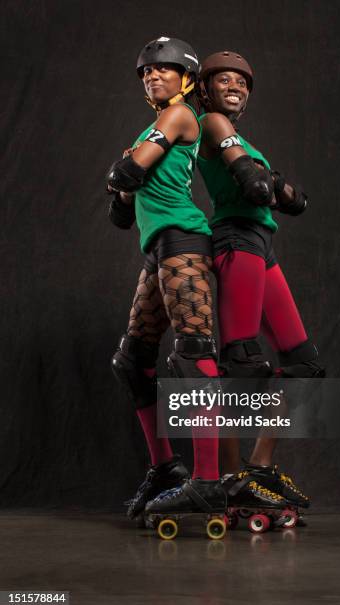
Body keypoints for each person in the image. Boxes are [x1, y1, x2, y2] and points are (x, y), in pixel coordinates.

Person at [197, 51, 325, 508]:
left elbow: (297, 202)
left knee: (303, 363)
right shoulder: (211, 123)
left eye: (242, 83)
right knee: (240, 368)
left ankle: (260, 468)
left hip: (261, 246)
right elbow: (261, 189)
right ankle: (230, 480)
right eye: (225, 80)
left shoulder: (241, 138)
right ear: (207, 89)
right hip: (236, 241)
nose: (235, 87)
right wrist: (271, 182)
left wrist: (270, 183)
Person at [106, 38, 226, 522]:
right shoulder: (153, 124)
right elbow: (121, 208)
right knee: (133, 362)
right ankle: (165, 469)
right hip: (158, 251)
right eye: (146, 72)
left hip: (183, 243)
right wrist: (124, 179)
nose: (152, 76)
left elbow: (125, 173)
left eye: (163, 69)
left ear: (187, 79)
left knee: (195, 356)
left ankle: (210, 483)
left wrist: (126, 172)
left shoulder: (178, 117)